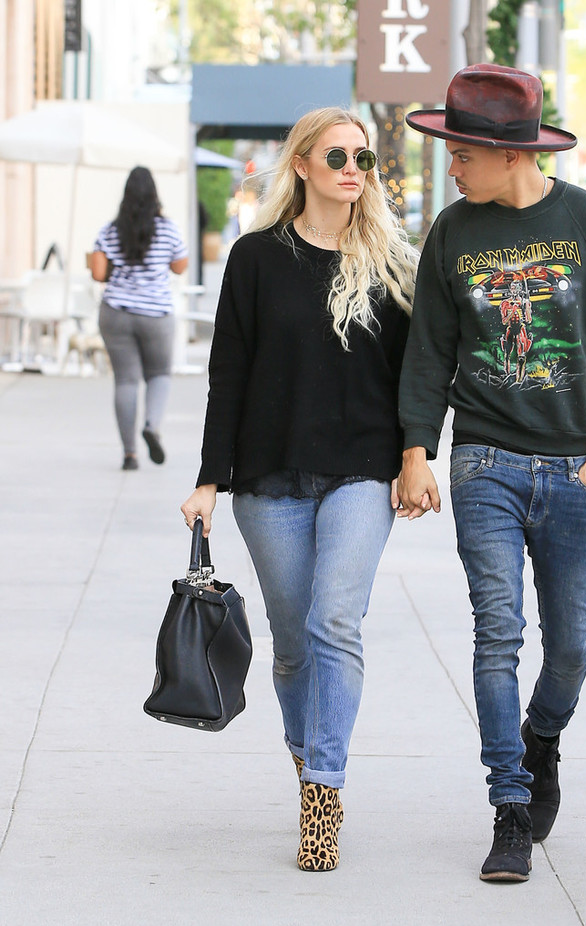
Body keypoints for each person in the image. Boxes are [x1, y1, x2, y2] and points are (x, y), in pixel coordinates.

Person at [395, 64, 586, 883]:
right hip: (487, 461)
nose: (451, 168)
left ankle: (541, 741)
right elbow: (428, 351)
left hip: (575, 466)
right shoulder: (452, 233)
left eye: (459, 154)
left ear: (506, 155)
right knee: (497, 632)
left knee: (569, 647)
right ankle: (508, 805)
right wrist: (416, 451)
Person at [180, 107, 417, 872]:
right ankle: (308, 750)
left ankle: (323, 789)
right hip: (270, 477)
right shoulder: (254, 260)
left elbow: (416, 374)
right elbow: (229, 375)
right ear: (304, 167)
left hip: (362, 470)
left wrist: (418, 455)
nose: (354, 168)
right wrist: (208, 480)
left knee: (335, 622)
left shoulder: (388, 262)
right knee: (291, 643)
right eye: (338, 155)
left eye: (366, 158)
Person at [90, 166, 188, 470]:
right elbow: (180, 267)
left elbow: (97, 273)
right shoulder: (168, 230)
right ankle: (152, 425)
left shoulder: (109, 230)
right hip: (156, 314)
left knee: (126, 381)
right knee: (159, 374)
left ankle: (130, 454)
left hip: (117, 313)